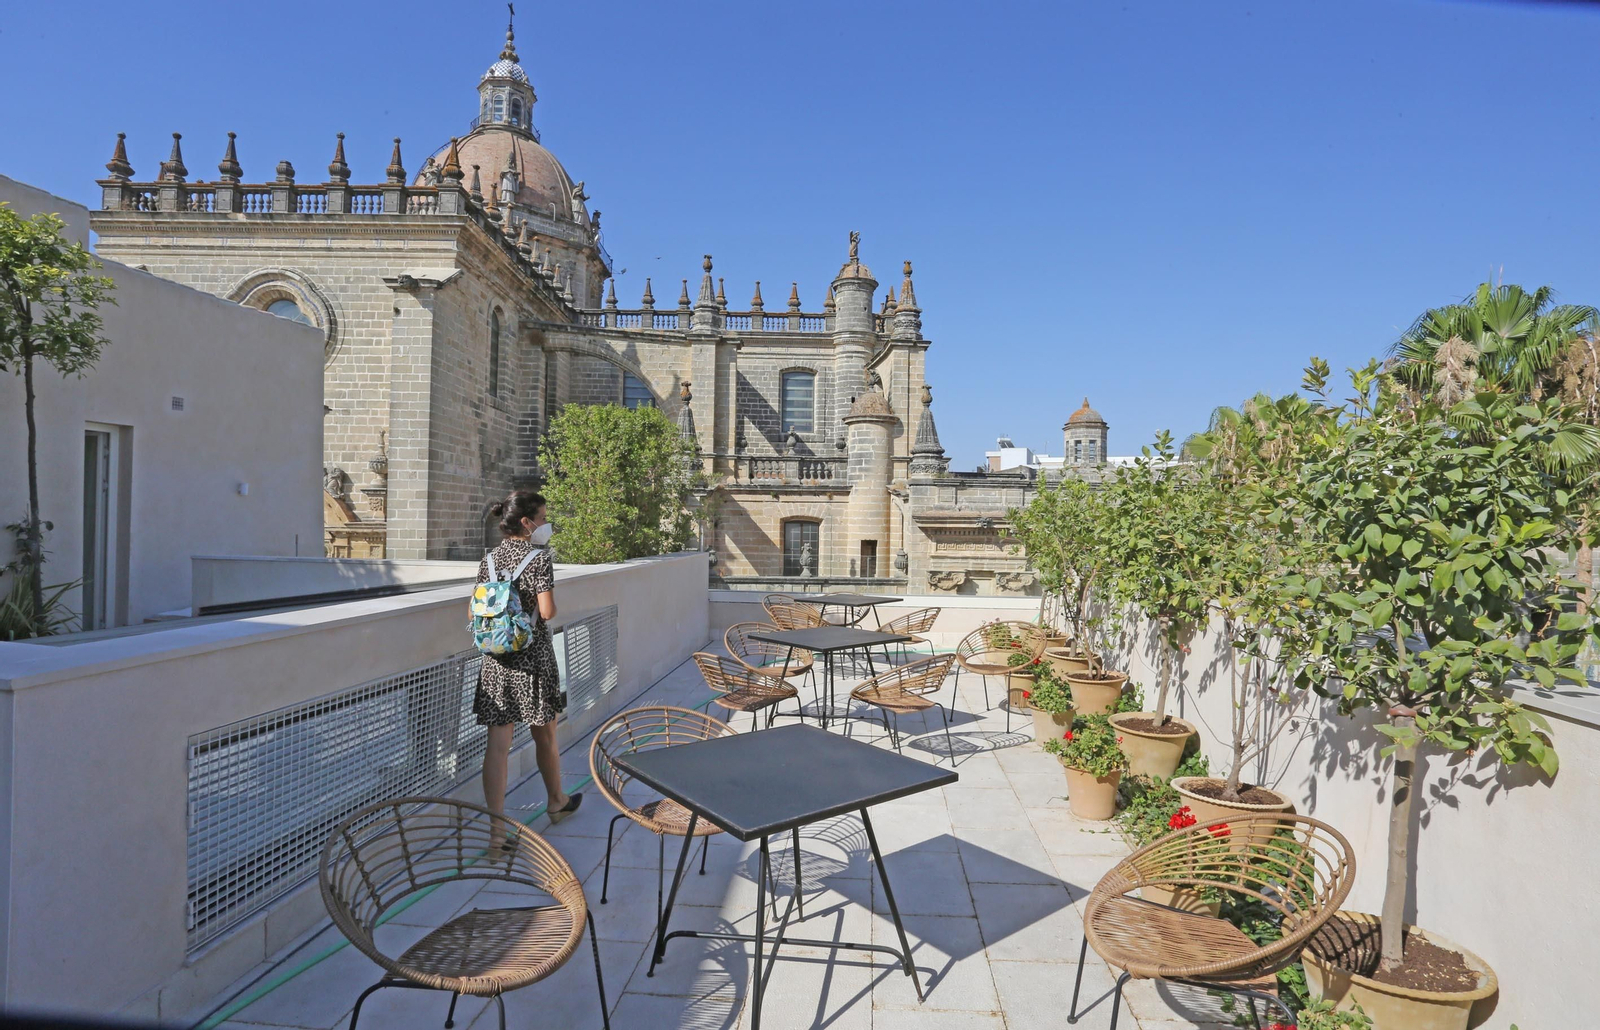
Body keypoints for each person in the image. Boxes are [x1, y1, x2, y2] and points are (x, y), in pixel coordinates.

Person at [475, 489, 580, 842]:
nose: (546, 524)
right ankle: (556, 801)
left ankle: (495, 831)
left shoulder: (488, 560)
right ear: (526, 522)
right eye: (543, 517)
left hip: (496, 659)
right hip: (532, 659)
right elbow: (547, 612)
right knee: (545, 735)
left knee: (497, 745)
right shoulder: (538, 559)